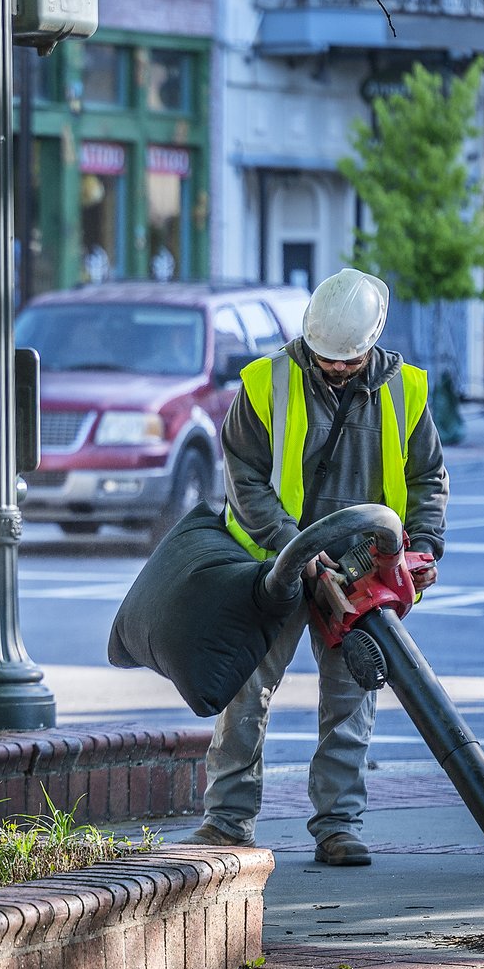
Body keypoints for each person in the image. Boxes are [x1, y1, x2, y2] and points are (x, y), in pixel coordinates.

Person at [178, 268, 448, 865]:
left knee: (352, 694)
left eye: (347, 361)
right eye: (325, 358)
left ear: (372, 341)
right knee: (246, 688)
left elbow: (427, 477)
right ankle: (226, 823)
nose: (334, 368)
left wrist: (423, 544)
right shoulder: (265, 383)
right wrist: (293, 548)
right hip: (275, 563)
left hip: (361, 569)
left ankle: (338, 827)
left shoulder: (406, 391)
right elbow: (244, 480)